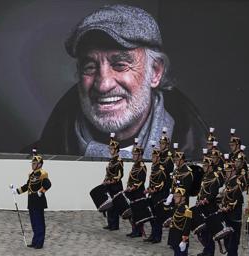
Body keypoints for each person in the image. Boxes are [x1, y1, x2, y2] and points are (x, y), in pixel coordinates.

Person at [31, 4, 207, 159]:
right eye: (90, 67)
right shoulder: (33, 162)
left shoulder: (206, 164)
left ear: (155, 72)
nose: (103, 85)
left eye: (120, 65)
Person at [14, 151, 52, 249]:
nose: (32, 165)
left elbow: (48, 184)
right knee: (34, 222)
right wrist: (17, 191)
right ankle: (35, 241)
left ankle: (40, 242)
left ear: (39, 164)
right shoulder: (31, 175)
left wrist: (42, 191)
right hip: (31, 201)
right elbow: (27, 186)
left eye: (34, 163)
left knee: (39, 222)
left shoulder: (42, 174)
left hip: (39, 201)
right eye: (32, 163)